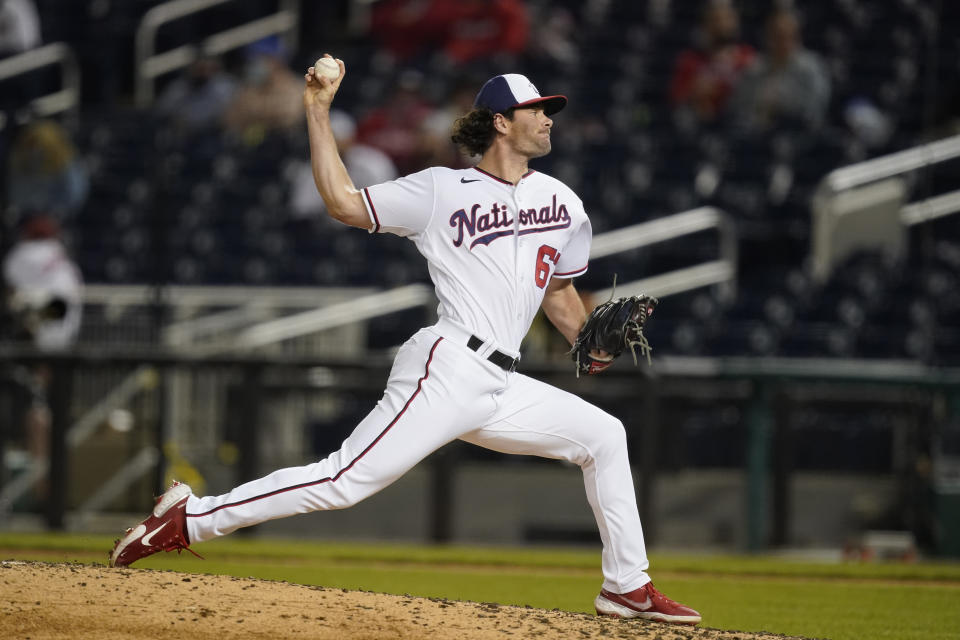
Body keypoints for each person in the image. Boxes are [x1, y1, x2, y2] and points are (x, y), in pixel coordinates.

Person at [109, 60, 701, 626]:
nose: (548, 118)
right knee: (344, 481)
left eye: (550, 110)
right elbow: (343, 203)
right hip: (447, 366)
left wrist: (594, 343)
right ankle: (192, 517)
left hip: (501, 382)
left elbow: (563, 299)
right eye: (536, 109)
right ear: (501, 121)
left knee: (604, 435)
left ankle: (626, 586)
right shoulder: (443, 189)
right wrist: (317, 111)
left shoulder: (564, 203)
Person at [728, 8, 831, 132]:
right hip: (756, 135)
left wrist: (778, 106)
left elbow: (815, 107)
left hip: (799, 133)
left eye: (786, 36)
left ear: (796, 37)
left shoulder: (811, 68)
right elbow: (739, 107)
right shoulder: (755, 68)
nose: (781, 42)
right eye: (775, 36)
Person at [287, 109, 397, 219]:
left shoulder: (373, 162)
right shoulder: (314, 166)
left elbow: (384, 203)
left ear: (349, 139)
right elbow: (301, 207)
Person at [669, 0, 754, 125]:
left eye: (727, 18)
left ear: (736, 22)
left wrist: (719, 89)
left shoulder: (747, 58)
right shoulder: (690, 61)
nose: (722, 24)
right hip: (699, 124)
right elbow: (676, 98)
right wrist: (694, 93)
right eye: (716, 19)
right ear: (705, 24)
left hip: (738, 126)